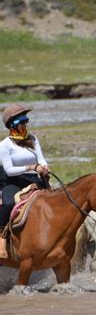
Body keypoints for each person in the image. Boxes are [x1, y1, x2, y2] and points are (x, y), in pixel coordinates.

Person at [0, 104, 49, 259]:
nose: (25, 124)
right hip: (13, 182)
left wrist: (44, 167)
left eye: (26, 120)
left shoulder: (33, 139)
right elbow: (9, 170)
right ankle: (2, 237)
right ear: (12, 124)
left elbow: (41, 159)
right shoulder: (4, 145)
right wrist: (31, 167)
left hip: (34, 180)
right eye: (22, 121)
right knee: (8, 204)